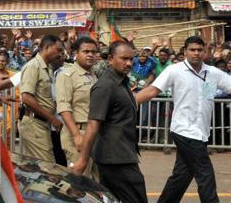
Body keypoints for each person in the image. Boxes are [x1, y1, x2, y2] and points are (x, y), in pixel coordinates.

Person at [136, 36, 231, 203]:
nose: (196, 53)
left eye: (199, 50)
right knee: (205, 173)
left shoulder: (213, 73)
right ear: (185, 51)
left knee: (182, 175)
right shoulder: (174, 70)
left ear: (204, 52)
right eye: (192, 50)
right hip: (184, 130)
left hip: (202, 132)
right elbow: (152, 91)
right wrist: (126, 102)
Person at [72, 41, 147, 203]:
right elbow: (93, 124)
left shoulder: (122, 81)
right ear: (110, 59)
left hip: (123, 153)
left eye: (131, 59)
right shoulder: (105, 86)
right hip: (115, 158)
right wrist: (82, 160)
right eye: (124, 58)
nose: (128, 63)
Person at [56, 37, 98, 177]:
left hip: (93, 132)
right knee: (80, 181)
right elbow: (64, 107)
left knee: (96, 180)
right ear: (75, 53)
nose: (90, 55)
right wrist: (76, 135)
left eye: (93, 52)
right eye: (86, 51)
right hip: (77, 131)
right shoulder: (67, 75)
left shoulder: (93, 75)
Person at [18, 35, 65, 163]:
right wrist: (52, 119)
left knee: (35, 166)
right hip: (34, 123)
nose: (60, 54)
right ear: (47, 47)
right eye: (58, 50)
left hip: (42, 124)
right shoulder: (33, 66)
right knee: (46, 166)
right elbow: (26, 98)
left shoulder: (47, 68)